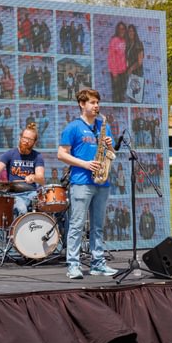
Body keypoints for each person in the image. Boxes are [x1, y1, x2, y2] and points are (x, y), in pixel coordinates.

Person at [58, 88, 118, 279]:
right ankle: (73, 265)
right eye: (92, 102)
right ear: (82, 104)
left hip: (102, 181)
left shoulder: (103, 126)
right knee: (76, 225)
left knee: (98, 225)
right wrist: (85, 163)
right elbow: (61, 154)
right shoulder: (73, 127)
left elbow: (112, 154)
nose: (96, 106)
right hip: (81, 181)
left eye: (97, 102)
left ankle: (98, 263)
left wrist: (109, 145)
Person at [0, 123, 45, 217]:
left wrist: (34, 177)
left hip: (32, 193)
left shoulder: (37, 156)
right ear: (20, 138)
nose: (26, 141)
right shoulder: (10, 154)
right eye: (24, 138)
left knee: (44, 207)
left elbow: (41, 179)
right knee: (21, 209)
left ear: (34, 142)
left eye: (30, 139)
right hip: (15, 194)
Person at [107, 21, 127, 103]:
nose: (121, 31)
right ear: (117, 30)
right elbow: (111, 58)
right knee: (116, 94)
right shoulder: (114, 40)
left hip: (124, 72)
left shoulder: (126, 40)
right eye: (120, 29)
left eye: (123, 29)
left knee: (123, 94)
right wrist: (115, 74)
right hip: (116, 73)